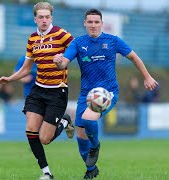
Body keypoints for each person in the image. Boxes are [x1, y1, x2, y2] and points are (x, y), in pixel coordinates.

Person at [53, 9, 159, 179]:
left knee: (88, 119)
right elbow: (63, 63)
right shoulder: (78, 43)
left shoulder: (113, 41)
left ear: (102, 23)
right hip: (86, 93)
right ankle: (91, 170)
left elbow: (133, 57)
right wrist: (58, 61)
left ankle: (95, 146)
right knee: (80, 135)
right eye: (90, 22)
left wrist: (147, 77)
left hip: (107, 92)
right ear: (85, 23)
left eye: (96, 22)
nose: (93, 25)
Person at [0, 2, 74, 179]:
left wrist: (64, 59)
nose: (44, 20)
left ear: (51, 18)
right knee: (31, 129)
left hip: (57, 92)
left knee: (44, 139)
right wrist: (10, 78)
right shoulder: (32, 39)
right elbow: (26, 68)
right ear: (35, 19)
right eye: (41, 17)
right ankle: (46, 173)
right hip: (38, 90)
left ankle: (65, 122)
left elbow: (77, 49)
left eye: (47, 17)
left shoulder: (61, 34)